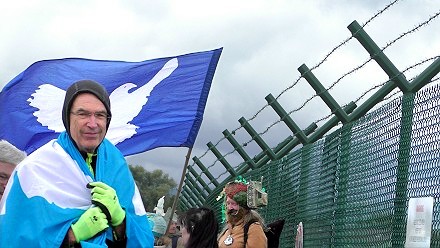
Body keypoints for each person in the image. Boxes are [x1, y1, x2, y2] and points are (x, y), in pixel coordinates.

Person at [0, 80, 154, 247]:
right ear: (67, 117)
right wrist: (71, 236)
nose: (93, 124)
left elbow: (144, 241)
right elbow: (12, 239)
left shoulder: (117, 165)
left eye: (100, 115)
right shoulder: (33, 169)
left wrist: (121, 222)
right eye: (83, 114)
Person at [217, 179, 268, 248]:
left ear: (243, 206)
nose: (229, 208)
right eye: (228, 203)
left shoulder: (253, 228)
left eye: (233, 204)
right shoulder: (229, 228)